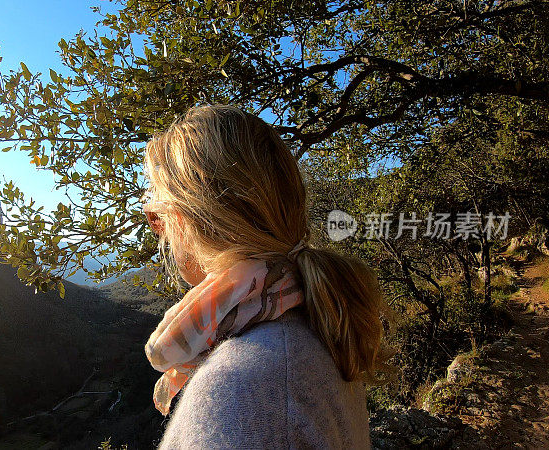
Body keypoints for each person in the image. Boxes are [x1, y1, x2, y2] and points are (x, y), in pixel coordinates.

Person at [141, 104, 394, 449]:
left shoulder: (237, 390)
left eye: (156, 217)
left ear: (188, 221)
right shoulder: (319, 324)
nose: (160, 232)